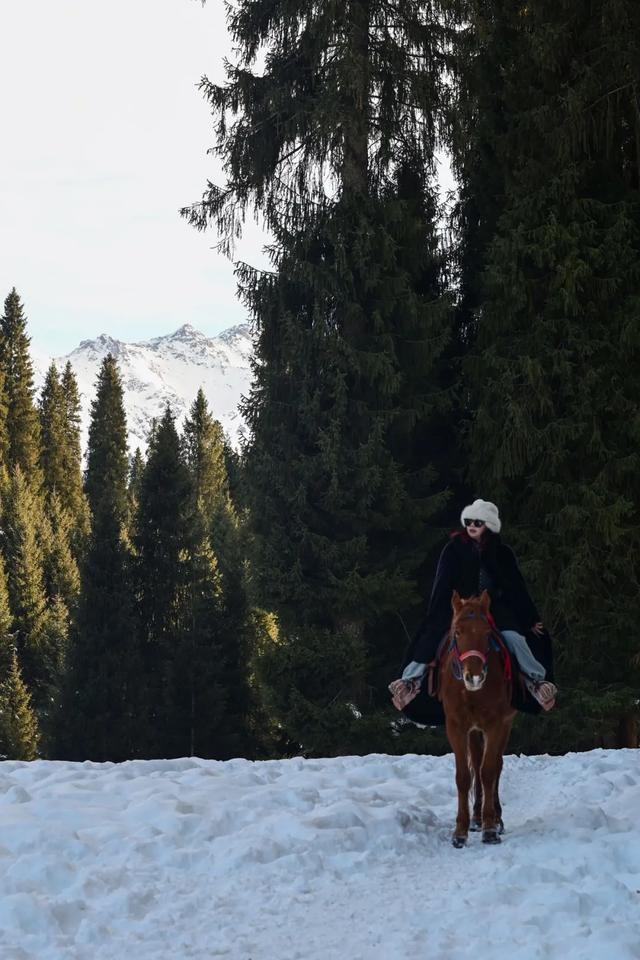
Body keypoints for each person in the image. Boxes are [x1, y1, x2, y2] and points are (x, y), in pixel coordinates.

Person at [390, 498, 557, 712]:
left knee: (514, 638)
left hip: (493, 608)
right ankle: (409, 681)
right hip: (459, 607)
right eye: (468, 521)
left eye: (477, 522)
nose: (471, 526)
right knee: (431, 636)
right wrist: (437, 613)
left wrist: (530, 618)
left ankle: (536, 682)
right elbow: (442, 584)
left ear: (488, 525)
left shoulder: (502, 553)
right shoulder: (453, 550)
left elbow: (516, 587)